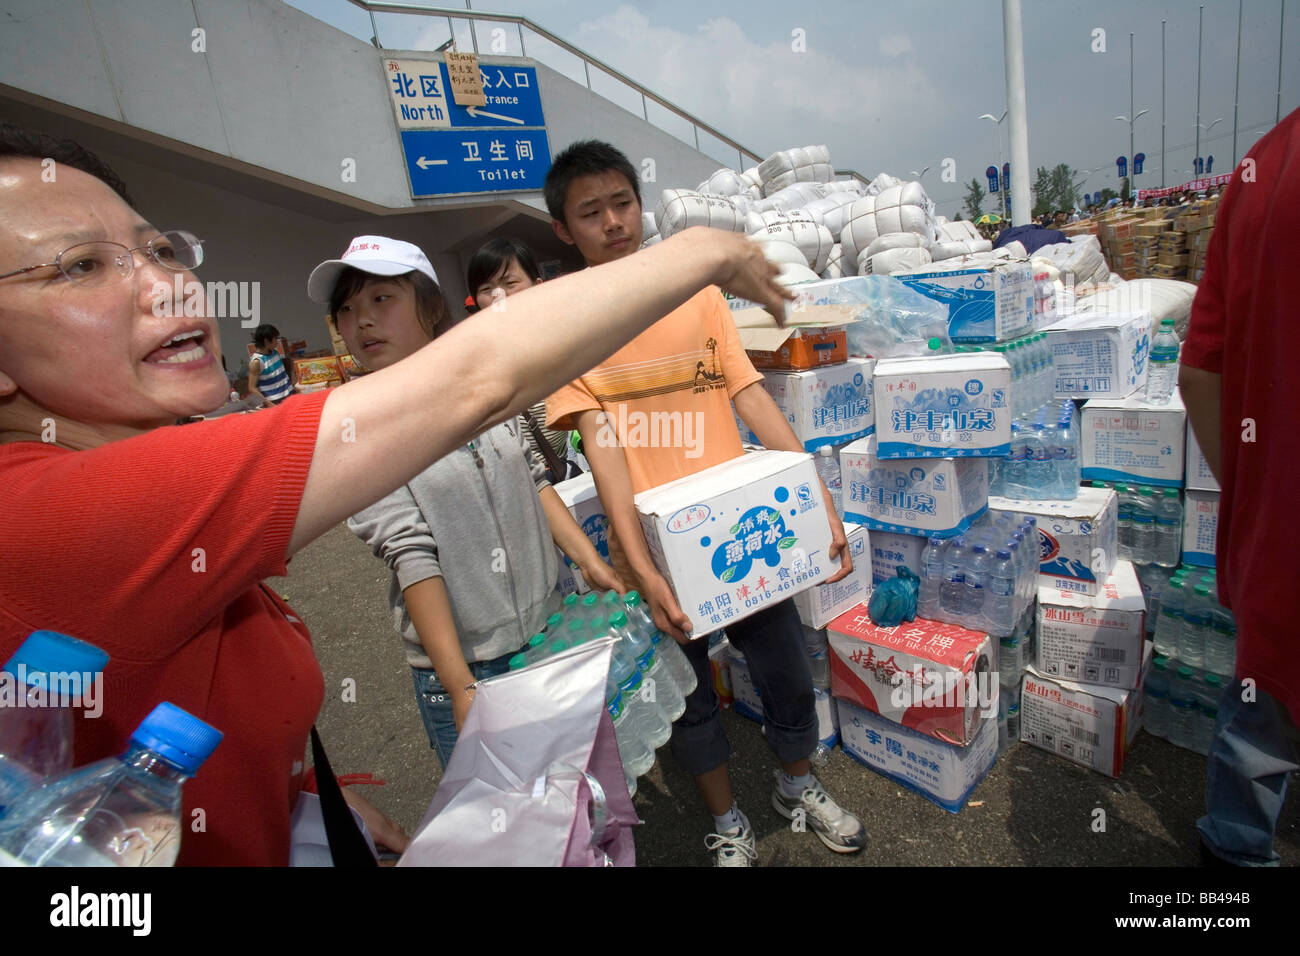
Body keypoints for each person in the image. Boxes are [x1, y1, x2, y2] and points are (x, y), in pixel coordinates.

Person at [0, 123, 790, 865]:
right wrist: (704, 253)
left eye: (161, 249)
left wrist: (310, 802)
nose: (167, 286)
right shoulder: (45, 518)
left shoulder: (154, 473)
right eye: (78, 265)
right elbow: (479, 386)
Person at [543, 140, 864, 867]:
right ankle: (727, 820)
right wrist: (638, 564)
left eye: (622, 202)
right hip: (661, 553)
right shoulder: (570, 328)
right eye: (590, 213)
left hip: (744, 535)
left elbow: (751, 395)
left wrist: (818, 498)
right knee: (689, 701)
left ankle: (796, 784)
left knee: (784, 669)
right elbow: (605, 451)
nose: (613, 222)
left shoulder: (698, 296)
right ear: (564, 229)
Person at [308, 235, 624, 767]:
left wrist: (589, 562)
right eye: (347, 309)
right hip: (465, 669)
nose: (360, 321)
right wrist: (459, 686)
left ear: (431, 306)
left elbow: (535, 482)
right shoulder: (357, 429)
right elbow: (410, 551)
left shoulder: (484, 388)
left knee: (574, 794)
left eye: (380, 299)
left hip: (546, 634)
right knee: (503, 831)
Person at [1180, 106, 1300, 867]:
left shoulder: (1261, 169)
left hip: (1279, 550)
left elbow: (1198, 374)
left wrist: (1256, 493)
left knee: (1259, 729)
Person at [466, 238, 575, 479]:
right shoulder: (473, 366)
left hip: (575, 474)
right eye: (486, 289)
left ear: (537, 285)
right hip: (524, 485)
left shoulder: (568, 344)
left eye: (510, 283)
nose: (497, 295)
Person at [248, 322, 294, 405]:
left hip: (289, 397)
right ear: (266, 341)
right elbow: (252, 388)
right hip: (275, 403)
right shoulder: (257, 362)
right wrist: (269, 404)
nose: (277, 341)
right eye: (275, 339)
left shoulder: (275, 352)